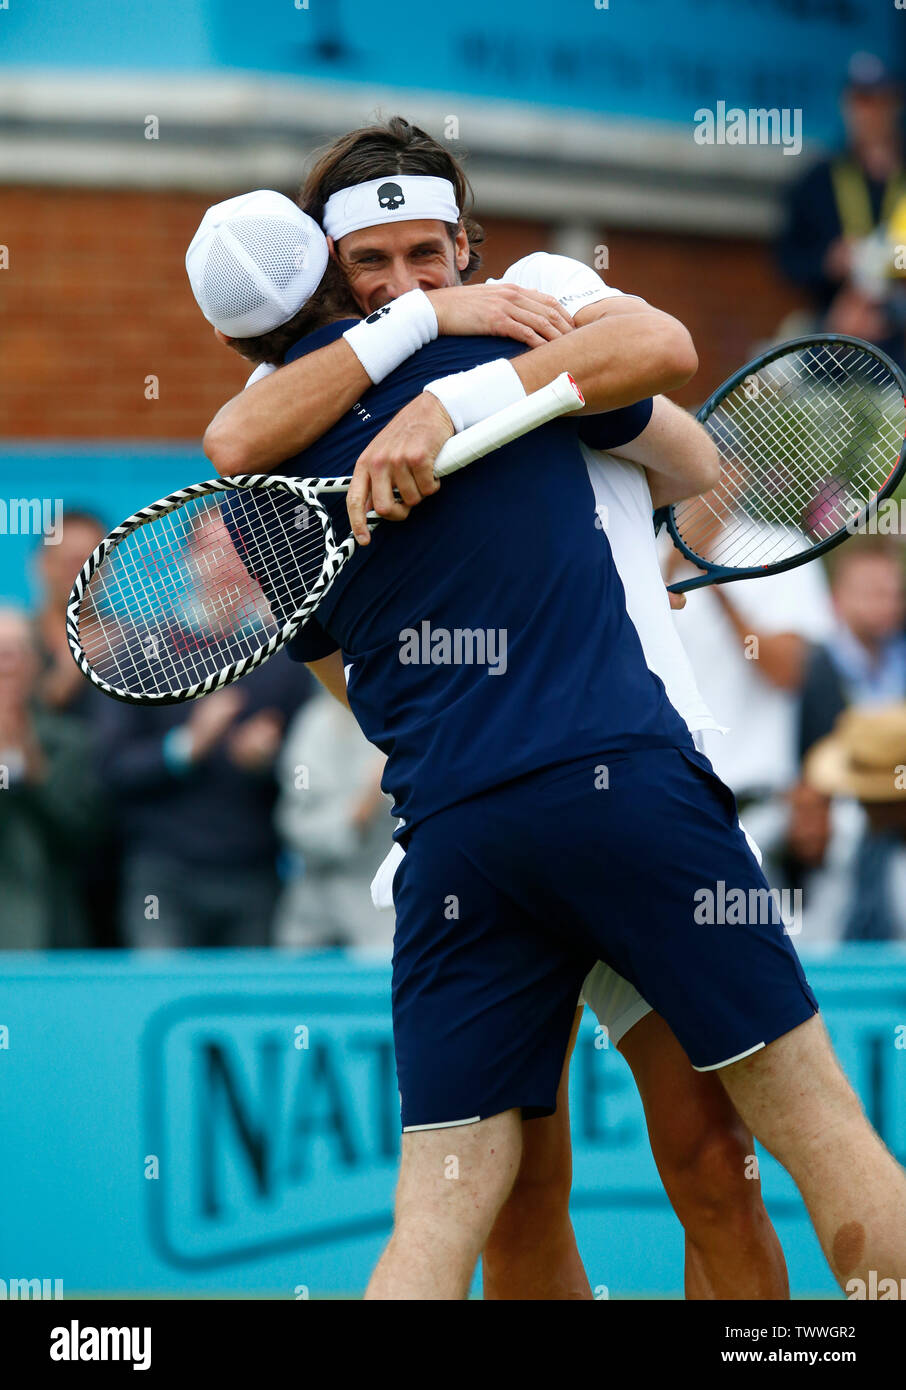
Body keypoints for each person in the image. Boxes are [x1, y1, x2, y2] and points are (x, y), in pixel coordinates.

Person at [191, 137, 906, 1300]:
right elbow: (670, 432)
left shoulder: (533, 307)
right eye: (369, 263)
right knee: (604, 1188)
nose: (403, 283)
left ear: (468, 243)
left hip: (506, 821)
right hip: (593, 799)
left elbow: (681, 424)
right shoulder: (356, 394)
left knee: (694, 1170)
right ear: (327, 275)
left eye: (427, 253)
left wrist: (460, 411)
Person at [776, 51, 906, 367]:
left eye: (877, 101)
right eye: (860, 101)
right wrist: (829, 262)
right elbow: (787, 258)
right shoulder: (817, 181)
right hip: (835, 332)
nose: (868, 113)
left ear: (894, 104)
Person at [0, 605, 105, 948]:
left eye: (16, 653)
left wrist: (34, 771)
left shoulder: (69, 741)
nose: (7, 665)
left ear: (34, 664)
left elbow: (84, 838)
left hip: (52, 933)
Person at [273, 687, 394, 950]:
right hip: (313, 925)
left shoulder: (413, 720)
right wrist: (361, 810)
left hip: (387, 920)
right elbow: (296, 827)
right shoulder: (315, 725)